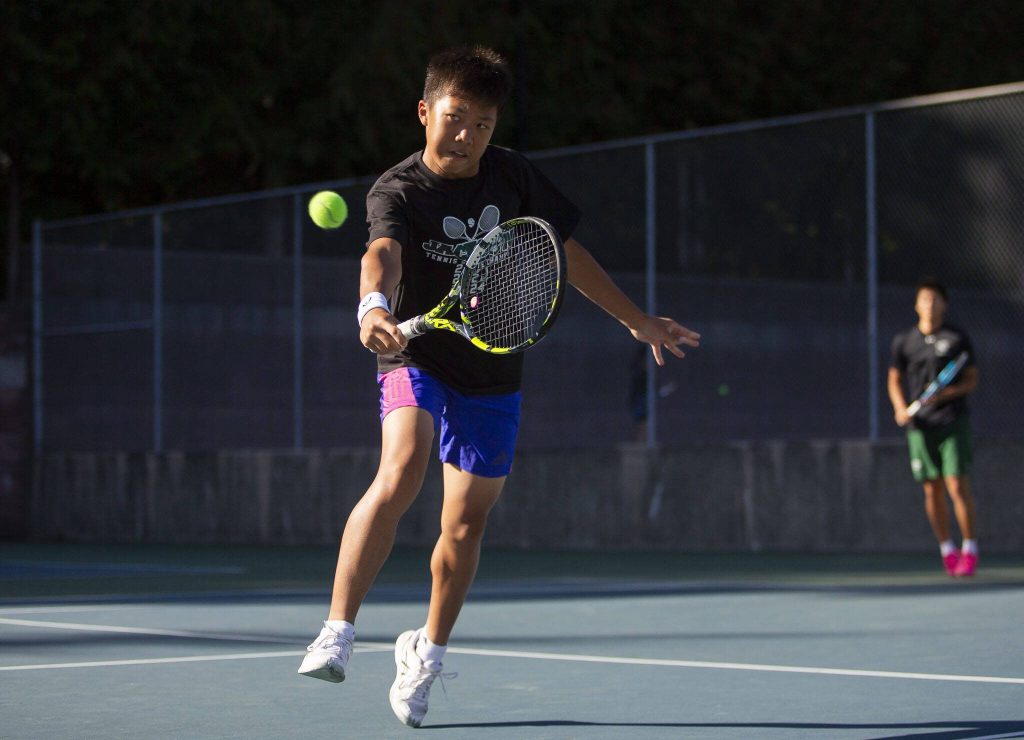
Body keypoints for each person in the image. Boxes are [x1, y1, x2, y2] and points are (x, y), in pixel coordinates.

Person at [297, 45, 700, 728]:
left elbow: (564, 253)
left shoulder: (512, 175)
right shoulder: (396, 190)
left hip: (493, 371)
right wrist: (373, 307)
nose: (467, 136)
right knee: (400, 471)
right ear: (425, 112)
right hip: (415, 358)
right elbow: (383, 254)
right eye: (455, 118)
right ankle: (338, 629)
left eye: (482, 124)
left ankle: (427, 650)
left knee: (465, 523)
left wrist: (637, 322)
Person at [888, 278, 979, 577]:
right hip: (920, 427)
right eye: (925, 299)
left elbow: (970, 379)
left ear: (944, 304)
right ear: (917, 305)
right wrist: (901, 408)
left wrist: (946, 394)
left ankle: (970, 548)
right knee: (932, 489)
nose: (930, 304)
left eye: (936, 299)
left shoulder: (957, 338)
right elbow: (894, 380)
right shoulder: (904, 342)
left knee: (956, 484)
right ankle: (947, 549)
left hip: (952, 421)